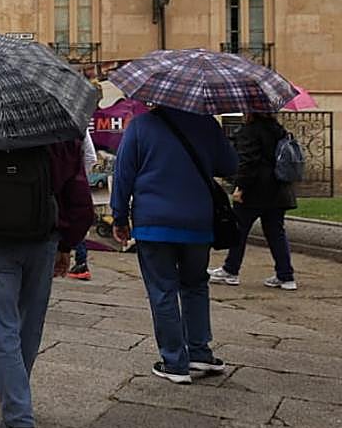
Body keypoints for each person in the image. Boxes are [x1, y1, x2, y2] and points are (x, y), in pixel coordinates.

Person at [0, 139, 94, 428]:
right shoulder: (61, 135)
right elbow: (80, 198)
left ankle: (17, 416)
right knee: (30, 322)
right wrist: (68, 243)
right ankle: (16, 392)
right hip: (43, 239)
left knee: (2, 326)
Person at [111, 106, 238, 385]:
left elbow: (123, 174)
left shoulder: (141, 126)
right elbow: (230, 165)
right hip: (197, 221)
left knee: (162, 289)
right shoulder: (207, 125)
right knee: (195, 284)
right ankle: (200, 350)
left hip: (153, 222)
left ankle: (174, 361)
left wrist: (119, 216)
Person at [209, 113, 298, 290]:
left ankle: (231, 270)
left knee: (239, 231)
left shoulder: (250, 131)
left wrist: (240, 187)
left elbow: (248, 162)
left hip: (255, 191)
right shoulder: (279, 130)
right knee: (276, 233)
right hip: (278, 189)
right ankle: (286, 276)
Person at [67, 129, 99, 281]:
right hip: (72, 182)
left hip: (52, 182)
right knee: (75, 220)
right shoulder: (78, 123)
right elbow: (91, 156)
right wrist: (79, 177)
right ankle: (80, 262)